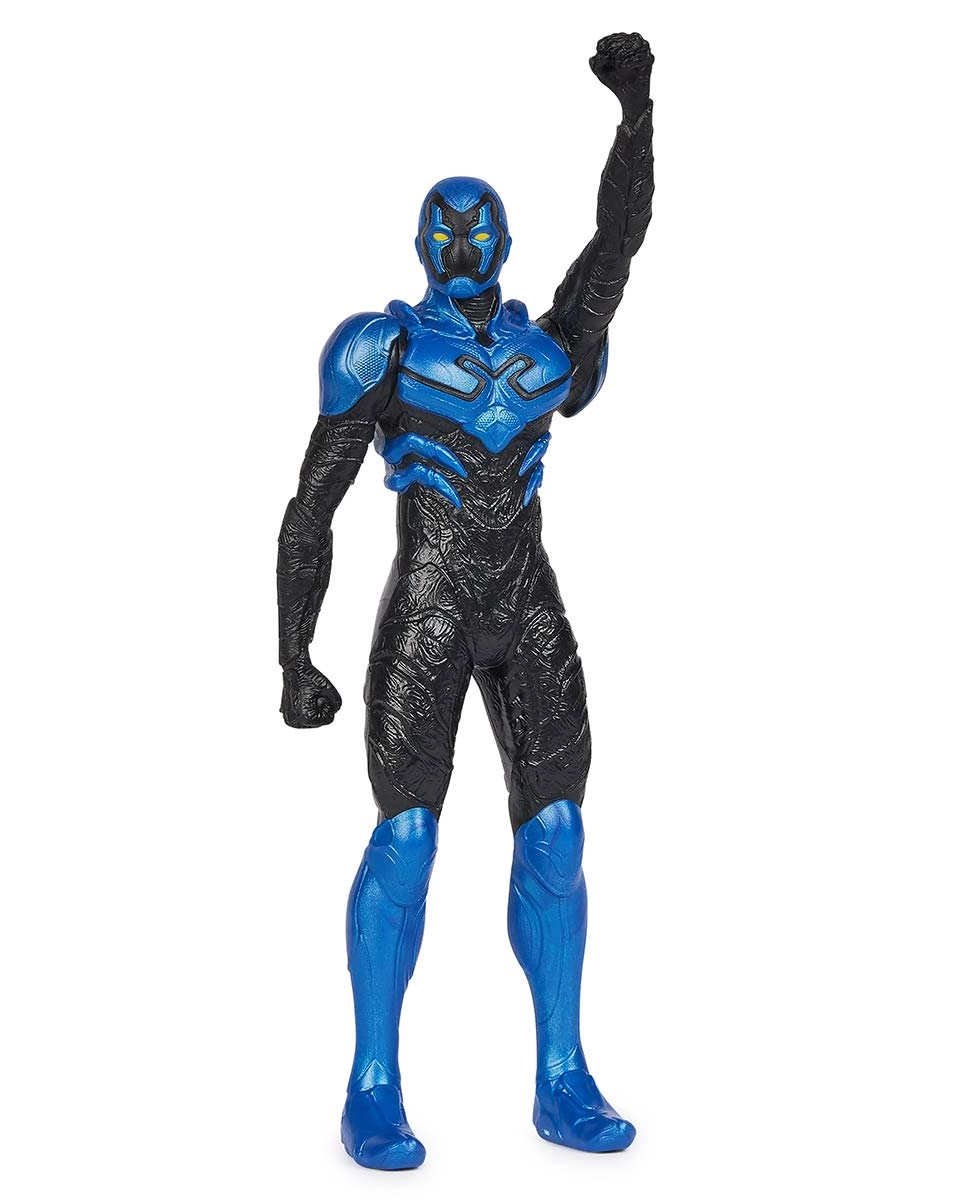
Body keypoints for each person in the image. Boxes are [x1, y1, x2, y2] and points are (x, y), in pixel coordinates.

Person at [277, 31, 655, 1170]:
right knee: (404, 840)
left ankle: (561, 1077)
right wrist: (292, 655)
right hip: (431, 602)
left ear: (503, 239)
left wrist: (637, 113)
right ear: (420, 243)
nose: (461, 243)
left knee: (559, 834)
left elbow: (620, 243)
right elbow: (311, 507)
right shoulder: (382, 347)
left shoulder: (552, 348)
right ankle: (373, 1084)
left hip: (526, 599)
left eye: (478, 226)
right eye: (444, 229)